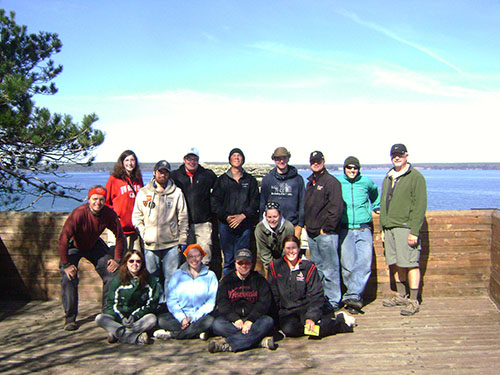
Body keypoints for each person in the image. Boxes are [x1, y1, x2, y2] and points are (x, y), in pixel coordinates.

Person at [59, 185, 125, 331]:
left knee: (111, 274)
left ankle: (107, 313)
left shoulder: (109, 214)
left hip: (94, 245)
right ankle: (70, 319)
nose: (98, 203)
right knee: (68, 277)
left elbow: (120, 237)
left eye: (101, 200)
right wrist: (66, 264)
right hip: (74, 246)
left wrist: (117, 259)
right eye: (95, 199)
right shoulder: (79, 214)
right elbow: (63, 239)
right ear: (89, 200)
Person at [268, 235, 356, 338]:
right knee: (290, 330)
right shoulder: (275, 266)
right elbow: (273, 293)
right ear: (283, 249)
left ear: (299, 248)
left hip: (306, 308)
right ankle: (324, 322)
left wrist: (311, 317)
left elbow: (316, 294)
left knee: (312, 330)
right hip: (287, 312)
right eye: (288, 248)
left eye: (294, 248)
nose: (291, 251)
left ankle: (339, 324)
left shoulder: (308, 267)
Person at [380, 144, 427, 316]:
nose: (397, 157)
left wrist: (414, 231)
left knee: (411, 263)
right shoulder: (389, 176)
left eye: (400, 154)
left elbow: (420, 206)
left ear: (406, 156)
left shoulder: (416, 177)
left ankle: (413, 300)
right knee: (396, 262)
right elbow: (383, 203)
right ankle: (401, 295)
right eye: (394, 155)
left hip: (406, 228)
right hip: (390, 228)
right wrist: (382, 227)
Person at [132, 160, 188, 301]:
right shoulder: (144, 193)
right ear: (154, 172)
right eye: (160, 171)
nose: (163, 175)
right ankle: (155, 303)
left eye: (165, 172)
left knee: (172, 277)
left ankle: (169, 306)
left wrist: (182, 239)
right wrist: (144, 233)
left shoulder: (177, 193)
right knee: (152, 276)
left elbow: (183, 217)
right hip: (151, 243)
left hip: (172, 244)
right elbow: (136, 216)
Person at [208, 248, 276, 353]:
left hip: (254, 321)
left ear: (251, 264)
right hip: (234, 322)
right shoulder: (227, 281)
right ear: (235, 263)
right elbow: (222, 303)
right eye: (240, 263)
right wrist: (234, 319)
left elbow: (264, 303)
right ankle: (259, 341)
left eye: (247, 263)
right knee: (217, 324)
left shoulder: (259, 280)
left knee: (267, 321)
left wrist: (251, 320)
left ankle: (227, 345)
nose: (243, 266)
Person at [338, 156, 380, 312]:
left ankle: (354, 295)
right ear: (344, 169)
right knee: (347, 266)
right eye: (349, 168)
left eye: (355, 168)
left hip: (363, 228)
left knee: (364, 262)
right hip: (345, 228)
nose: (352, 171)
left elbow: (375, 193)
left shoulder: (366, 182)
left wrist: (376, 206)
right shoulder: (338, 183)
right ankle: (353, 298)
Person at [304, 151, 344, 312]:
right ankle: (321, 298)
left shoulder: (331, 182)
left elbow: (336, 208)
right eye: (313, 161)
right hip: (312, 234)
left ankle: (333, 300)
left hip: (325, 234)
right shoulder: (310, 183)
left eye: (318, 161)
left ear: (324, 161)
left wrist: (326, 229)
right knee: (318, 269)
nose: (316, 163)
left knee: (330, 269)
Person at [211, 148, 259, 275]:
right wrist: (227, 217)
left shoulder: (250, 180)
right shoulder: (222, 180)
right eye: (234, 155)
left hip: (244, 226)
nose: (237, 157)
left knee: (243, 259)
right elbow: (215, 203)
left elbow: (254, 203)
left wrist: (243, 216)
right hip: (226, 226)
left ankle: (242, 288)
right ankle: (229, 288)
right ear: (230, 159)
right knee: (229, 261)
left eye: (239, 155)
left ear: (243, 159)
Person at [95, 250, 160, 345]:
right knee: (100, 318)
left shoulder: (150, 280)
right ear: (126, 263)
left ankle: (118, 334)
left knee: (152, 319)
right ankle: (136, 338)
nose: (135, 264)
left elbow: (152, 304)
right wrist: (121, 318)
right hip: (119, 318)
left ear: (142, 263)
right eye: (131, 261)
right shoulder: (118, 280)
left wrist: (135, 316)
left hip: (138, 319)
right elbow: (111, 304)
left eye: (138, 261)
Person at [154, 244, 217, 340]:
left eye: (197, 256)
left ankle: (173, 334)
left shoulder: (210, 276)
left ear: (202, 257)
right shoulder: (177, 275)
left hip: (200, 317)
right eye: (191, 256)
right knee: (161, 320)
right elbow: (171, 300)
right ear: (187, 258)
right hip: (180, 316)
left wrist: (192, 318)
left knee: (210, 321)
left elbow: (210, 302)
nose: (194, 259)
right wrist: (182, 318)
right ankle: (196, 332)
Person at [171, 148, 217, 265]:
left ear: (198, 160)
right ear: (184, 160)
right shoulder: (175, 176)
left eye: (195, 159)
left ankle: (205, 280)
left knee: (205, 257)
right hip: (183, 224)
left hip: (204, 223)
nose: (192, 162)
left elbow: (219, 193)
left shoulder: (207, 175)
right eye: (189, 159)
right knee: (186, 258)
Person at [260, 147, 305, 239]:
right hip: (271, 225)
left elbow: (302, 203)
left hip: (292, 225)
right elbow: (262, 203)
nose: (281, 161)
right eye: (278, 158)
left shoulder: (298, 179)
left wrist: (300, 225)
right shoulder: (267, 179)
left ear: (288, 158)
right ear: (274, 160)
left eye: (284, 158)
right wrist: (262, 223)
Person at [105, 150, 144, 251]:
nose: (130, 163)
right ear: (122, 162)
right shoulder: (114, 179)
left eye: (132, 160)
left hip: (135, 228)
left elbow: (143, 200)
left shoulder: (138, 179)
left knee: (135, 259)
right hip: (118, 229)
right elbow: (105, 201)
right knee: (117, 260)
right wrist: (113, 217)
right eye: (127, 160)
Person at [255, 201, 294, 272]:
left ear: (280, 215)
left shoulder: (289, 227)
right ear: (265, 216)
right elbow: (264, 252)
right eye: (269, 217)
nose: (272, 220)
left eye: (275, 217)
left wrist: (283, 267)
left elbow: (288, 250)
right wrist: (272, 269)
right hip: (268, 261)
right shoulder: (259, 229)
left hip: (285, 260)